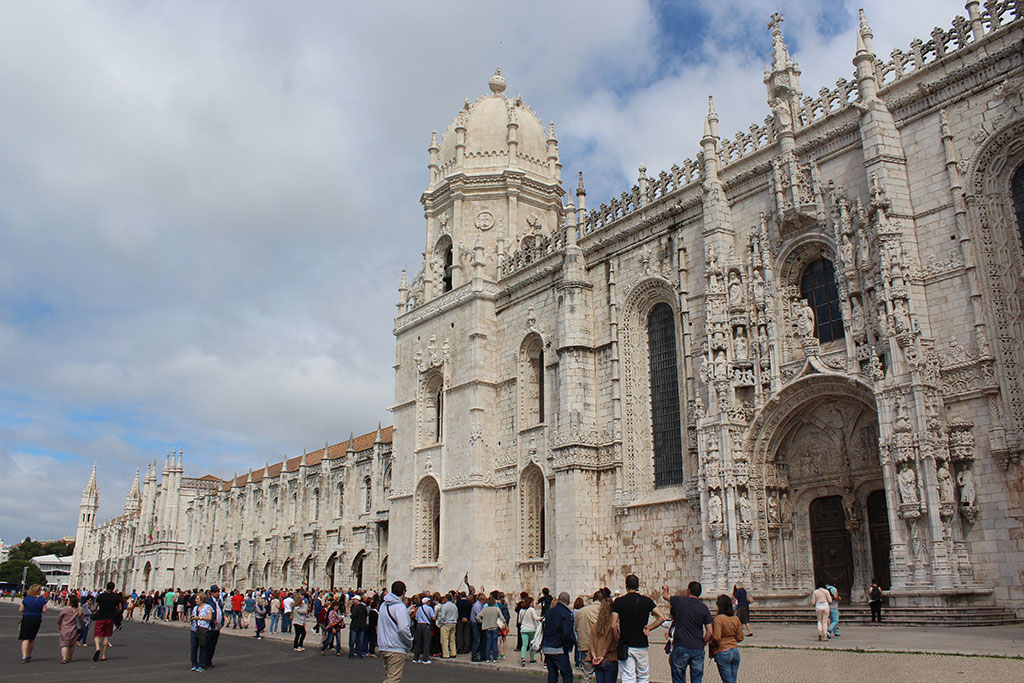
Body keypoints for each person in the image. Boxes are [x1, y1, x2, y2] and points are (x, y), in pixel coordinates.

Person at [612, 574, 667, 683]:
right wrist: (649, 628)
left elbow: (613, 625)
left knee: (628, 677)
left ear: (626, 585)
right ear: (638, 586)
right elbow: (662, 617)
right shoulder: (646, 601)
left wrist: (616, 641)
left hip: (626, 644)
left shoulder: (619, 602)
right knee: (643, 676)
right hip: (641, 644)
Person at [664, 581, 713, 683]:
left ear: (689, 591)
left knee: (678, 679)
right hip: (697, 647)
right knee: (696, 679)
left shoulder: (680, 601)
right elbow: (710, 632)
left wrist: (666, 588)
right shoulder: (704, 608)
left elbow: (665, 596)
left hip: (681, 646)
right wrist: (703, 642)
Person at [377, 581, 413, 683]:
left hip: (384, 646)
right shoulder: (400, 607)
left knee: (389, 677)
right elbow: (403, 629)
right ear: (404, 592)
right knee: (393, 680)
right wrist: (409, 641)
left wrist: (407, 612)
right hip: (396, 648)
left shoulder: (384, 605)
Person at [540, 591, 576, 683]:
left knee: (552, 675)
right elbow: (566, 633)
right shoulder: (566, 613)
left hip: (547, 647)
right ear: (568, 602)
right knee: (567, 675)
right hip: (558, 648)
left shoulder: (550, 611)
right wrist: (567, 645)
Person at [709, 595, 743, 683]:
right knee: (733, 680)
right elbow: (740, 637)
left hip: (723, 650)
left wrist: (711, 643)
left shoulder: (718, 619)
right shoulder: (736, 619)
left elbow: (717, 637)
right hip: (735, 650)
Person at [589, 597, 619, 683]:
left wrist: (594, 656)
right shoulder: (613, 625)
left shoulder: (595, 625)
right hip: (610, 658)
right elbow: (611, 641)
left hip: (597, 659)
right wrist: (603, 655)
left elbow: (591, 642)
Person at [92, 581, 122, 662]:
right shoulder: (116, 597)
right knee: (106, 636)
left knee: (97, 635)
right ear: (113, 588)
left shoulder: (101, 596)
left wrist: (96, 611)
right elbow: (120, 608)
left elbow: (95, 608)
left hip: (100, 617)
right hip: (110, 618)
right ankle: (104, 655)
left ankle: (97, 648)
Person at [574, 591, 602, 676]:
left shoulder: (581, 611)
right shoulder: (603, 611)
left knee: (587, 673)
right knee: (601, 674)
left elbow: (576, 628)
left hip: (585, 645)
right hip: (600, 646)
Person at [19, 584, 48, 663]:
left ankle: (24, 656)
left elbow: (21, 609)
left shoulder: (26, 599)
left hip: (27, 618)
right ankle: (28, 654)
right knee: (32, 638)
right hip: (36, 618)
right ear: (37, 591)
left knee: (25, 638)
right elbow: (44, 610)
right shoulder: (42, 600)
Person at [189, 589, 211, 672]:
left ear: (202, 599)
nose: (195, 600)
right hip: (194, 629)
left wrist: (199, 618)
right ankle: (194, 664)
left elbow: (209, 618)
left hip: (203, 629)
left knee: (203, 647)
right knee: (193, 647)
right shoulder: (195, 608)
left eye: (197, 599)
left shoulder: (207, 607)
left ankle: (201, 665)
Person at [476, 595, 503, 663]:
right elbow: (502, 618)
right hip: (494, 627)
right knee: (494, 643)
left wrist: (483, 622)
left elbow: (477, 617)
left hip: (487, 628)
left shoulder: (485, 609)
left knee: (488, 643)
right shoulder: (497, 609)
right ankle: (494, 658)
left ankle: (487, 658)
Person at [57, 593, 82, 664]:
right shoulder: (78, 610)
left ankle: (64, 658)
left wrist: (59, 625)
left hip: (65, 628)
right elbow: (80, 619)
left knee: (64, 644)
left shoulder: (65, 610)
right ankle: (70, 657)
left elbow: (59, 619)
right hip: (74, 629)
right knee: (71, 644)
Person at [204, 585, 224, 669]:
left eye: (218, 591)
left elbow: (220, 612)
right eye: (215, 592)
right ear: (211, 593)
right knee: (207, 645)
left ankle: (209, 661)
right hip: (210, 627)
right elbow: (206, 612)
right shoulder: (208, 601)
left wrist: (222, 623)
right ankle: (205, 662)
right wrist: (212, 621)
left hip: (217, 628)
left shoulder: (219, 601)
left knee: (213, 645)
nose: (217, 593)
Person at [518, 595, 539, 666]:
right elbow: (536, 618)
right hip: (531, 629)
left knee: (524, 645)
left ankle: (523, 658)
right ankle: (531, 659)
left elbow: (519, 621)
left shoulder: (521, 611)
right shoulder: (531, 610)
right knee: (531, 645)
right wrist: (542, 617)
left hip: (523, 629)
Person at [436, 593, 458, 659]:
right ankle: (453, 652)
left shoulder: (444, 606)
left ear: (446, 599)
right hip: (453, 623)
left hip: (446, 623)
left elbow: (442, 616)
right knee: (452, 639)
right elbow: (457, 615)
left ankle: (446, 654)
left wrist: (440, 623)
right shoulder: (454, 606)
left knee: (444, 639)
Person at [470, 592, 486, 661]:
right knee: (477, 640)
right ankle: (474, 656)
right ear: (482, 600)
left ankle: (481, 655)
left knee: (480, 640)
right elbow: (478, 616)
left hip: (477, 624)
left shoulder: (479, 605)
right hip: (476, 624)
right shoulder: (477, 606)